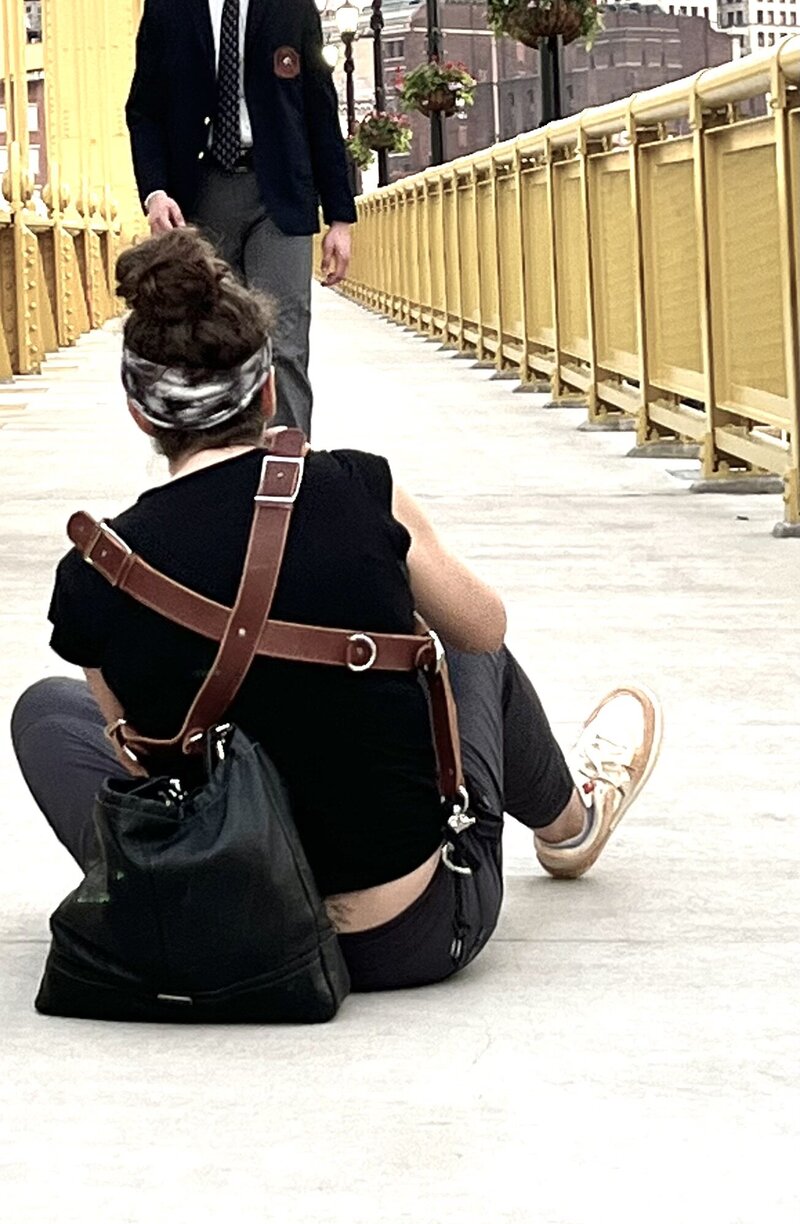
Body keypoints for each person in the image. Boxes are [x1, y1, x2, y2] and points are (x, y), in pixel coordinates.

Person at [11, 231, 662, 994]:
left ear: (139, 412)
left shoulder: (95, 569)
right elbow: (485, 630)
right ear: (265, 391)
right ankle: (570, 823)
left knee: (46, 713)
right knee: (467, 640)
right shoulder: (356, 485)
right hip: (406, 936)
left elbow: (139, 758)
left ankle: (171, 892)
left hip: (236, 931)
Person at [125, 0, 357, 438]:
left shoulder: (292, 7)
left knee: (284, 338)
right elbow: (144, 110)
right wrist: (155, 193)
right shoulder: (167, 10)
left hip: (281, 194)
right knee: (209, 341)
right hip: (200, 193)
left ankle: (286, 469)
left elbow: (320, 109)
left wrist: (340, 218)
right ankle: (221, 466)